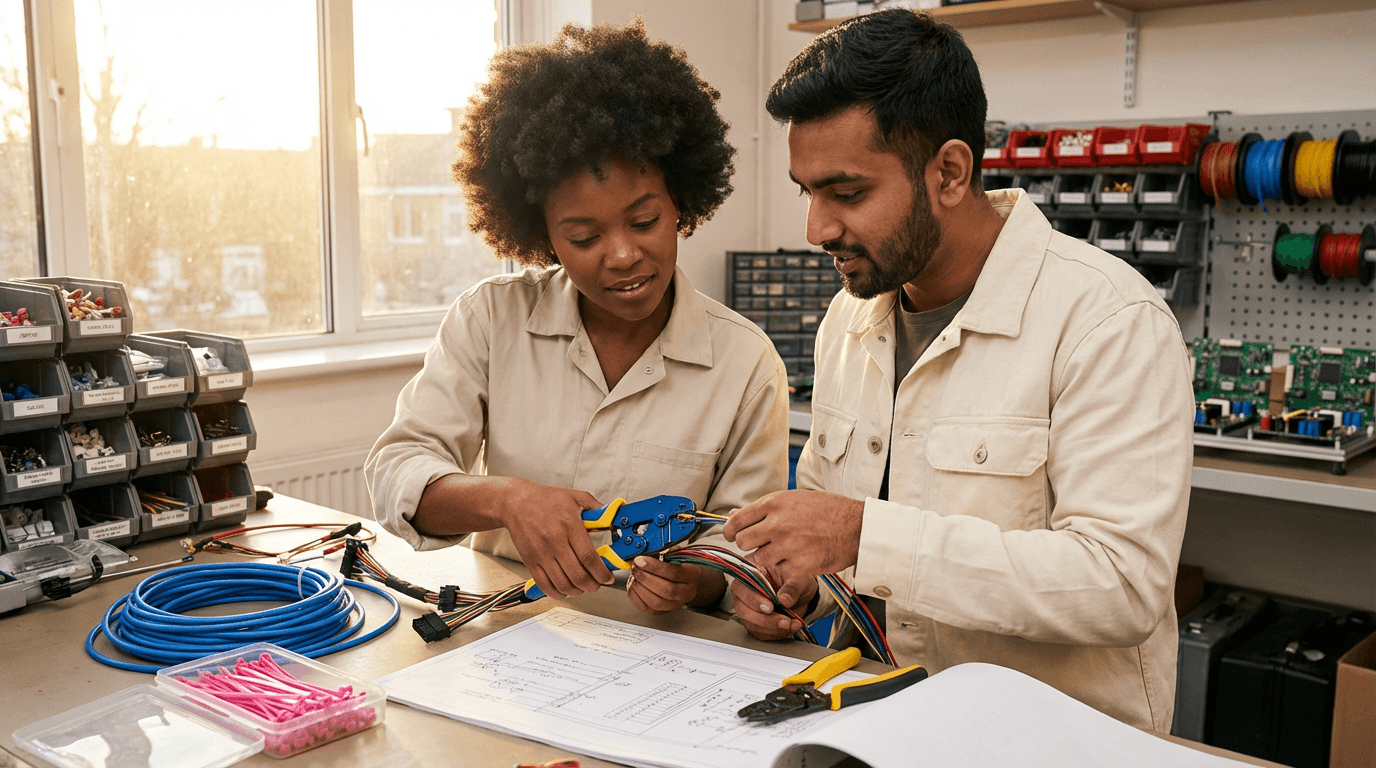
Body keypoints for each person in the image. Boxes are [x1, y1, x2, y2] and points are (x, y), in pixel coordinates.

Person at [722, 9, 1193, 732]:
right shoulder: (850, 317)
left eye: (847, 193)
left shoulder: (1108, 321)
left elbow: (1121, 586)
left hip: (1045, 741)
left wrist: (864, 536)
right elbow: (828, 526)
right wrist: (796, 587)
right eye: (806, 192)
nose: (816, 229)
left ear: (949, 172)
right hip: (870, 720)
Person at [366, 20, 788, 616]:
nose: (622, 255)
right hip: (510, 628)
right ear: (542, 236)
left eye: (644, 222)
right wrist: (506, 499)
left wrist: (694, 582)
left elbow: (746, 549)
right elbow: (397, 470)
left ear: (681, 203)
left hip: (662, 648)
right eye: (584, 237)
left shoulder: (746, 362)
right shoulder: (491, 319)